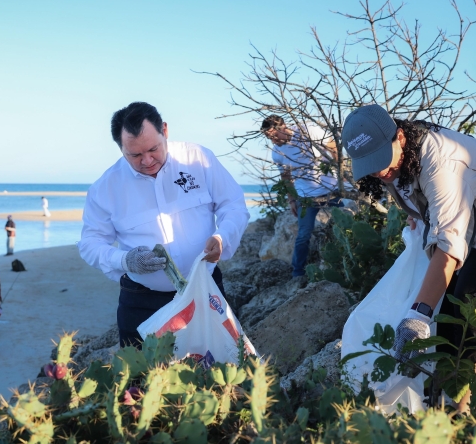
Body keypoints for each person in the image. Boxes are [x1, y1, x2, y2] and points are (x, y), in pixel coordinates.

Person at [343, 104, 476, 412]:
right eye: (370, 165)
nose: (380, 171)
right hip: (469, 224)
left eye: (381, 160)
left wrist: (416, 315)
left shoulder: (440, 161)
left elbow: (449, 245)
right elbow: (424, 205)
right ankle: (436, 410)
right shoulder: (400, 159)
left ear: (399, 136)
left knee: (473, 321)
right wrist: (416, 218)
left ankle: (463, 416)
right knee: (445, 320)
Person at [78, 101, 250, 348]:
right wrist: (125, 260)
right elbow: (90, 243)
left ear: (165, 131)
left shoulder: (198, 159)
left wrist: (222, 237)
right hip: (141, 300)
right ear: (120, 147)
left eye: (153, 149)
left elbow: (233, 205)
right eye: (135, 155)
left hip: (205, 290)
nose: (147, 161)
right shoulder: (105, 187)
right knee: (141, 383)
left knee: (214, 375)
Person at [261, 114, 344, 279]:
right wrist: (292, 199)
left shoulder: (308, 131)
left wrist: (340, 175)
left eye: (275, 135)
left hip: (332, 188)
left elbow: (334, 147)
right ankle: (297, 273)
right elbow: (286, 177)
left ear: (283, 127)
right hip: (306, 196)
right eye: (269, 138)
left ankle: (345, 265)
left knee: (344, 226)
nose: (274, 141)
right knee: (303, 234)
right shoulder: (277, 153)